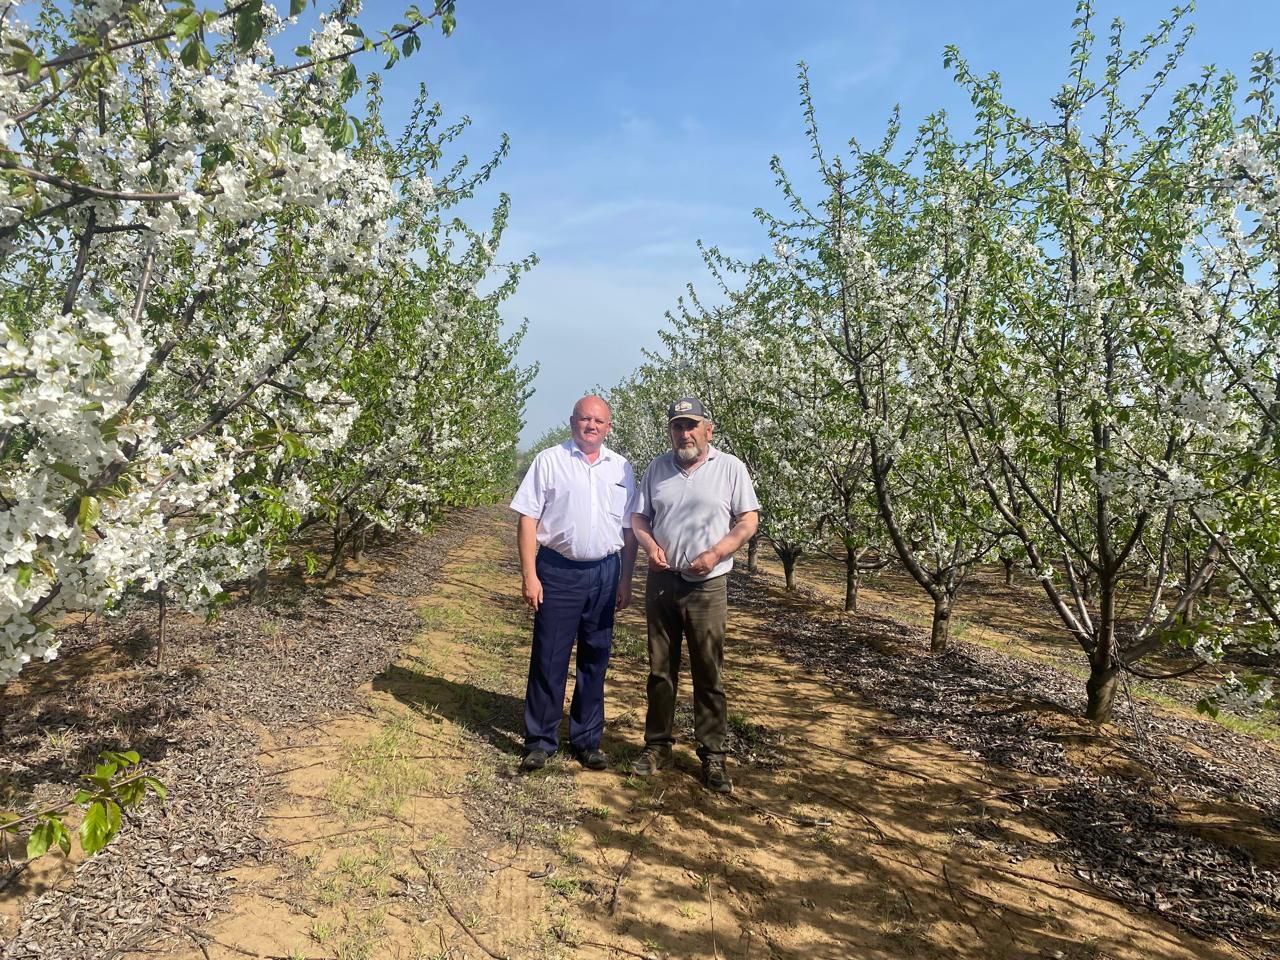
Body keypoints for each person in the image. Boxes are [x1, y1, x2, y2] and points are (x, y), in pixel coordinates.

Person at [628, 398, 759, 793]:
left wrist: (717, 553)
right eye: (676, 426)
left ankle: (713, 754)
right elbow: (639, 517)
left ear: (708, 430)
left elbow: (747, 520)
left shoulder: (730, 468)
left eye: (691, 426)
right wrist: (650, 547)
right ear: (669, 431)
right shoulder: (657, 468)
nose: (684, 434)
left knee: (708, 670)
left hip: (708, 585)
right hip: (663, 581)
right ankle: (658, 746)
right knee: (660, 669)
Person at [510, 395, 637, 773]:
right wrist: (530, 575)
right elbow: (528, 520)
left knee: (595, 658)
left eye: (599, 421)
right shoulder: (550, 461)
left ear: (609, 427)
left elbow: (629, 529)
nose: (591, 426)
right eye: (585, 419)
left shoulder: (622, 468)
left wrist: (626, 578)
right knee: (550, 656)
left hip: (605, 572)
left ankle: (586, 740)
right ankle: (541, 741)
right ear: (572, 422)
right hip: (558, 571)